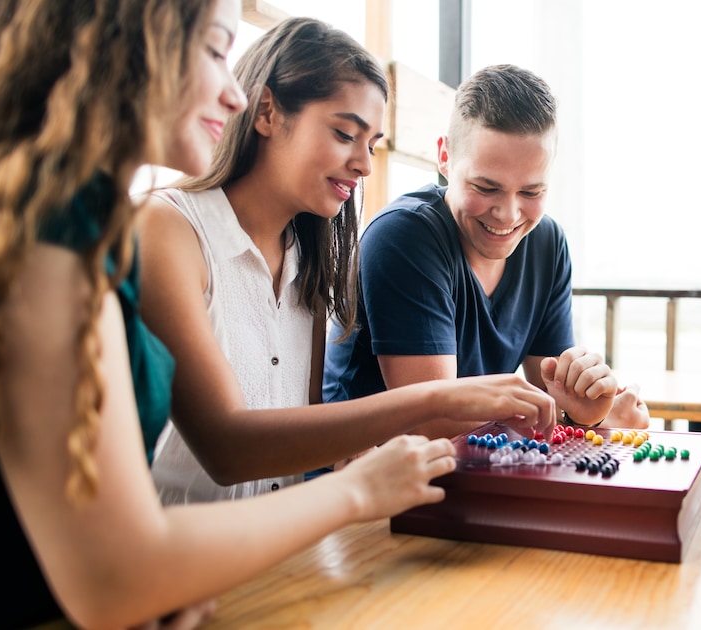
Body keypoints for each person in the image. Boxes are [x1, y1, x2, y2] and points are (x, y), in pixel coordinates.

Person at [0, 2, 461, 628]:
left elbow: (89, 538)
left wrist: (164, 577)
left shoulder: (76, 228)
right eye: (213, 50)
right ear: (121, 45)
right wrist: (358, 489)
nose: (232, 93)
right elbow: (117, 567)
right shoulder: (58, 244)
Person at [137, 18, 554, 504]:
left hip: (283, 549)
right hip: (181, 557)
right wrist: (437, 398)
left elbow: (306, 434)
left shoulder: (308, 259)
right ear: (267, 112)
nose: (365, 163)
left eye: (372, 143)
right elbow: (228, 449)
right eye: (344, 134)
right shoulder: (169, 229)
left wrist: (357, 455)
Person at [322, 63, 650, 435]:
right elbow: (434, 422)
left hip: (467, 475)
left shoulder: (547, 243)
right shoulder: (403, 237)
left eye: (531, 191)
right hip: (363, 478)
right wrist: (570, 419)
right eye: (486, 187)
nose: (508, 215)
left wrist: (588, 411)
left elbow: (553, 399)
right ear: (444, 158)